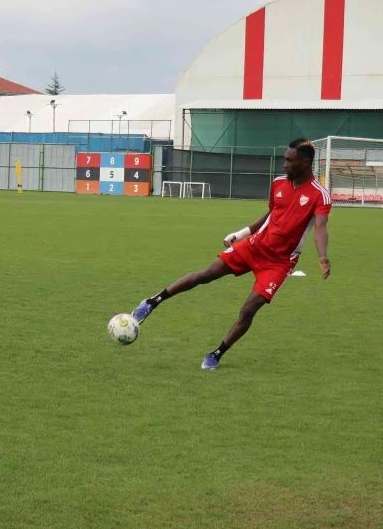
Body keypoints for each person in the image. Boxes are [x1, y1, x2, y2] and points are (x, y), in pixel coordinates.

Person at [132, 138, 332, 370]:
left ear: (306, 163)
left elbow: (320, 227)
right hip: (254, 246)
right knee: (205, 274)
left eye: (290, 160)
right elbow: (270, 215)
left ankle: (216, 354)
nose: (284, 165)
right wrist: (242, 233)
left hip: (279, 262)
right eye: (284, 159)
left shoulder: (320, 195)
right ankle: (151, 302)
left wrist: (323, 256)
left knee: (249, 309)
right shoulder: (278, 183)